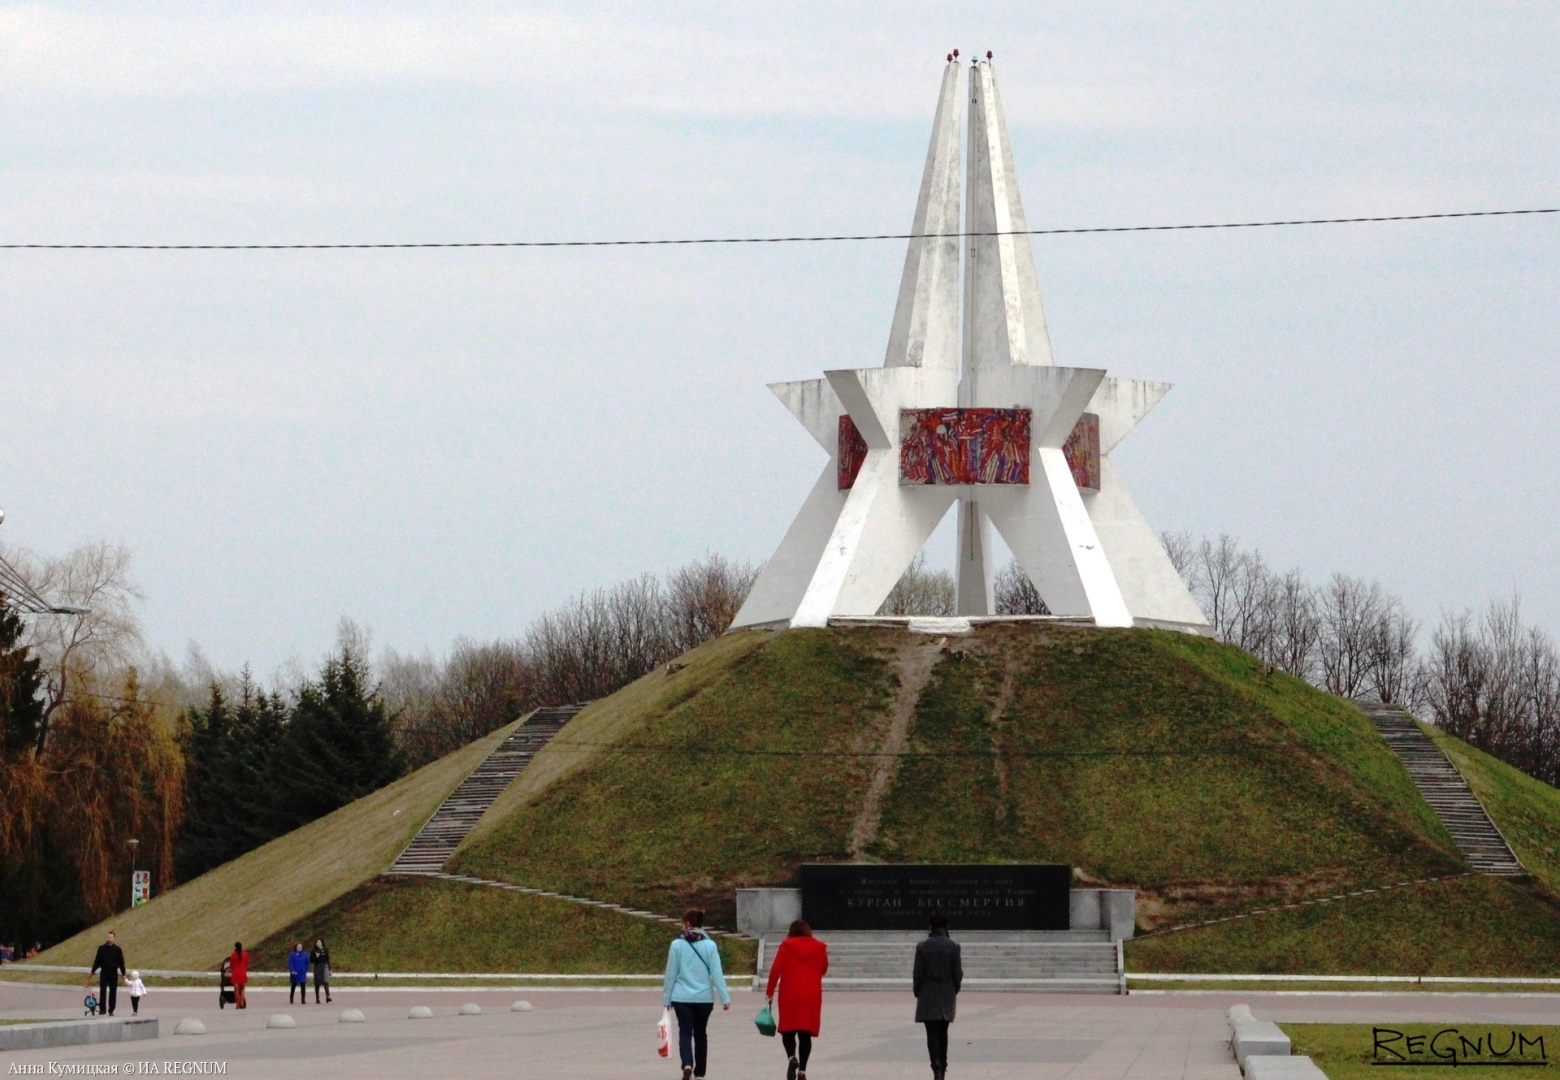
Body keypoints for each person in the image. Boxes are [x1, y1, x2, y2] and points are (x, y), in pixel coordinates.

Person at [662, 909, 730, 1080]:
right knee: (701, 1034)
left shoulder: (676, 945)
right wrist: (725, 998)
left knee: (685, 1032)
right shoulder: (710, 945)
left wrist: (667, 998)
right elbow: (716, 973)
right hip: (704, 998)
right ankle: (700, 1073)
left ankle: (687, 1064)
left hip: (681, 997)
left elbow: (671, 973)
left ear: (688, 924)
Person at [765, 919, 828, 1080]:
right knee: (805, 1033)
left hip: (789, 993)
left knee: (788, 1029)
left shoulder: (786, 946)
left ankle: (792, 1057)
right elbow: (823, 969)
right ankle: (803, 1071)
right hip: (811, 994)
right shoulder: (820, 947)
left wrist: (769, 992)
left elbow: (776, 970)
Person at [913, 913, 962, 1080]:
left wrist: (918, 991)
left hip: (928, 995)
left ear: (930, 927)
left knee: (932, 1034)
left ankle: (937, 1067)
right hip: (946, 994)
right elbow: (958, 974)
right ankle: (943, 1064)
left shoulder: (922, 947)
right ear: (946, 927)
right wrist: (952, 990)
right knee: (943, 1032)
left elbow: (918, 974)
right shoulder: (953, 947)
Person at [90, 931, 127, 1016]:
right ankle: (102, 1009)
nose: (109, 939)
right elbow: (97, 961)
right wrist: (93, 971)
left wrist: (123, 973)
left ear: (114, 938)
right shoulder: (101, 948)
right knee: (103, 990)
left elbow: (121, 962)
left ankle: (111, 1010)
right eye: (108, 937)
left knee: (113, 992)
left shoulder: (117, 949)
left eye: (111, 937)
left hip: (113, 973)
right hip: (104, 973)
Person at [228, 942, 250, 1010]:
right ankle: (242, 1001)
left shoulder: (233, 955)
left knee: (236, 990)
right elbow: (246, 963)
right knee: (242, 989)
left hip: (235, 974)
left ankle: (237, 1005)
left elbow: (231, 965)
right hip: (242, 973)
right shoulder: (245, 954)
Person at [310, 938, 332, 1003]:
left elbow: (328, 960)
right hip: (317, 967)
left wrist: (329, 969)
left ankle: (328, 996)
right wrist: (316, 957)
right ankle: (317, 998)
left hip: (325, 966)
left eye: (319, 942)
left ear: (322, 943)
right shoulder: (314, 951)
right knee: (317, 983)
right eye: (317, 942)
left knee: (326, 981)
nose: (318, 943)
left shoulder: (325, 950)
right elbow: (311, 960)